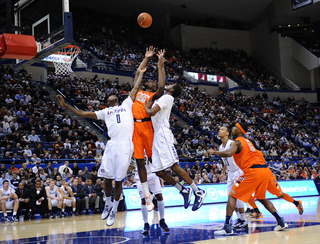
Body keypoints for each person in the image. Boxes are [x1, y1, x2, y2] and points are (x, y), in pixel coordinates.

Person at [57, 65, 145, 226]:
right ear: (107, 103)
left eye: (113, 96)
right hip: (112, 145)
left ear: (116, 99)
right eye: (108, 98)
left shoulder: (126, 104)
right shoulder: (105, 112)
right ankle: (108, 204)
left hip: (125, 144)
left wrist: (141, 72)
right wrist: (66, 106)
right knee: (106, 178)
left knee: (118, 180)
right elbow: (83, 113)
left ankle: (114, 210)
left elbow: (136, 87)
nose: (111, 97)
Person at [207, 123, 288, 235]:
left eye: (235, 128)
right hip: (263, 170)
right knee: (261, 197)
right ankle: (281, 221)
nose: (233, 129)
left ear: (240, 131)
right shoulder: (248, 141)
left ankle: (227, 226)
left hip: (252, 171)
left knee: (232, 195)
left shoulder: (237, 142)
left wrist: (214, 152)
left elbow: (229, 153)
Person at [145, 83, 206, 211]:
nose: (167, 84)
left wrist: (146, 107)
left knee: (174, 166)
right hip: (156, 135)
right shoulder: (163, 97)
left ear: (171, 89)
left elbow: (151, 112)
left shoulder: (167, 97)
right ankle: (183, 190)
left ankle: (197, 191)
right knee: (158, 171)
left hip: (163, 133)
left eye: (171, 84)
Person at [132, 48, 166, 212]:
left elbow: (161, 87)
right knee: (139, 162)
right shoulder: (137, 91)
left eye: (153, 81)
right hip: (134, 127)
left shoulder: (153, 95)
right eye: (150, 80)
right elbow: (138, 72)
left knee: (153, 160)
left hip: (147, 126)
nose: (151, 81)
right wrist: (146, 58)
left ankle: (161, 182)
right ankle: (146, 194)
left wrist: (160, 67)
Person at [216, 126, 248, 229]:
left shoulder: (231, 143)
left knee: (237, 196)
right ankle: (240, 219)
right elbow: (226, 159)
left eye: (222, 129)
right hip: (230, 173)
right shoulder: (221, 146)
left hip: (238, 171)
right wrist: (223, 172)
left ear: (227, 133)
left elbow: (232, 154)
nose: (219, 130)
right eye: (219, 129)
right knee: (230, 197)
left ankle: (244, 219)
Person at [135, 157, 169, 235]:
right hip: (140, 175)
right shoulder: (135, 146)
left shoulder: (151, 145)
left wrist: (161, 177)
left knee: (159, 196)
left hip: (153, 174)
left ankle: (162, 220)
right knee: (144, 199)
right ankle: (146, 224)